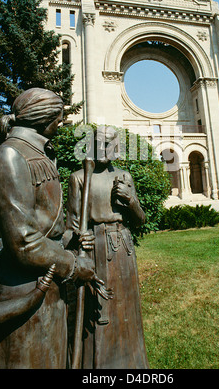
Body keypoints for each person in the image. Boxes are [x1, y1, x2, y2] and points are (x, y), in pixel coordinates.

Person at [0, 88, 99, 369]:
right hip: (23, 291)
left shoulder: (37, 153)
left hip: (47, 283)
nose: (61, 123)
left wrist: (70, 236)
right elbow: (24, 241)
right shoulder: (9, 157)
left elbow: (44, 223)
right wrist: (73, 264)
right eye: (59, 117)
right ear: (45, 118)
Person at [66, 125, 149, 369]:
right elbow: (69, 229)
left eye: (108, 144)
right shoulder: (79, 178)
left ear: (116, 148)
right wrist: (78, 239)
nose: (103, 149)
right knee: (98, 314)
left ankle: (133, 364)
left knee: (126, 311)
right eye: (98, 143)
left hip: (123, 249)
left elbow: (140, 220)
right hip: (94, 251)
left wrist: (131, 201)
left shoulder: (124, 176)